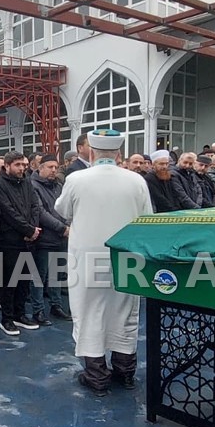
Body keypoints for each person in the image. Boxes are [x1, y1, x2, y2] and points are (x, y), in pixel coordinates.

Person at [55, 129, 152, 397]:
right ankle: (125, 372)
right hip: (126, 256)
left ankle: (97, 377)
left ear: (92, 152)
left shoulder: (76, 179)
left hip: (88, 259)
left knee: (90, 312)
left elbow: (62, 211)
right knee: (125, 311)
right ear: (119, 153)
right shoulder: (136, 180)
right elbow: (148, 217)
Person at [0, 151, 42, 336]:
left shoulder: (26, 181)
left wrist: (33, 229)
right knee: (8, 283)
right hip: (8, 241)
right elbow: (8, 211)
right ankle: (7, 318)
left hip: (28, 240)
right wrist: (28, 230)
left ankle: (20, 314)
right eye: (18, 165)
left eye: (24, 165)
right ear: (8, 166)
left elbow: (35, 206)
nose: (22, 168)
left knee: (24, 281)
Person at [30, 154, 70, 325]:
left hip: (61, 237)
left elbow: (67, 207)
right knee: (39, 275)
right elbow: (40, 212)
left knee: (56, 274)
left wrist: (67, 224)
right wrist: (62, 228)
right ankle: (38, 310)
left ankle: (56, 305)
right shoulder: (32, 186)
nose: (54, 170)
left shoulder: (59, 186)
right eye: (50, 167)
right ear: (40, 168)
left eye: (56, 167)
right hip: (45, 238)